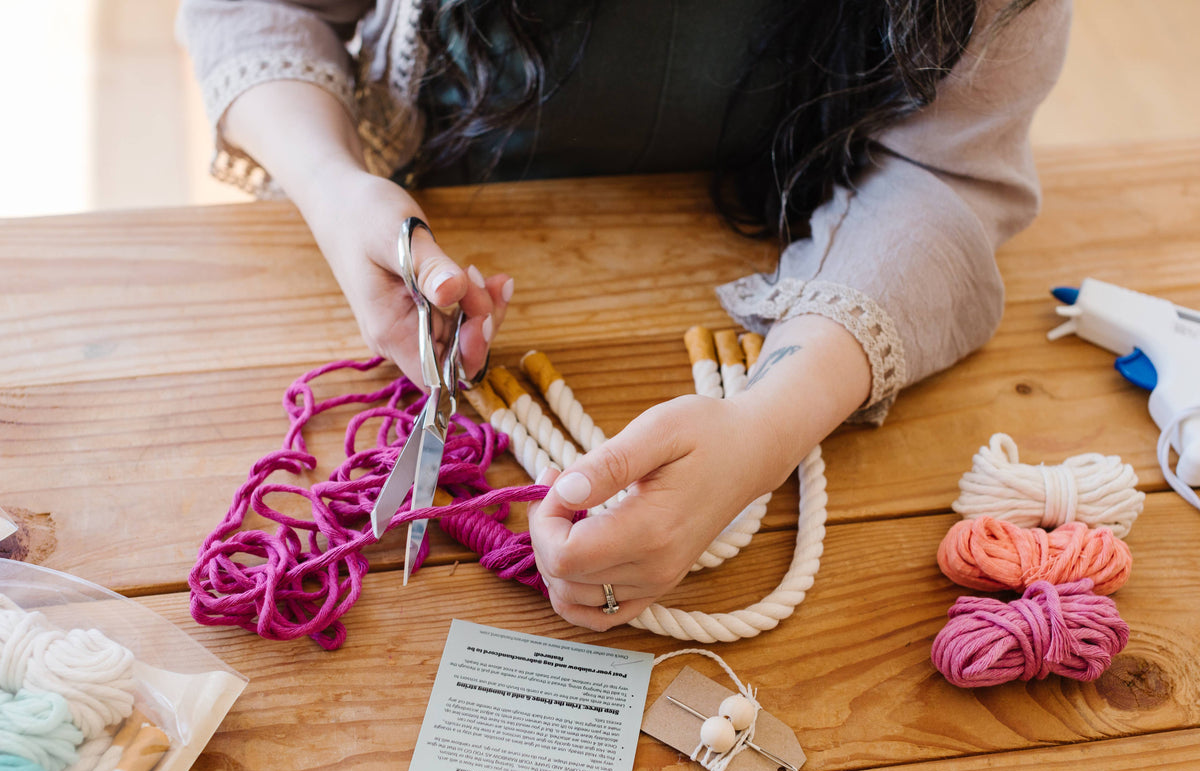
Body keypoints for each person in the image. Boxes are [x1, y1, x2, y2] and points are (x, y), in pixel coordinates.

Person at [177, 0, 1071, 631]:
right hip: (457, 198)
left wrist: (767, 425)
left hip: (802, 239)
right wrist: (336, 190)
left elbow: (943, 171)